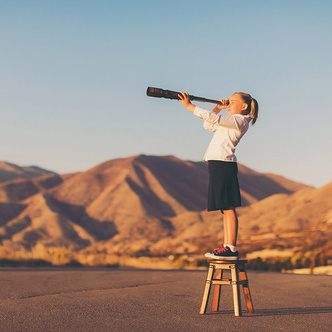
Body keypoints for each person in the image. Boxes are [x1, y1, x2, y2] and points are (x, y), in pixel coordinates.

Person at [178, 91, 258, 259]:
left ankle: (231, 247)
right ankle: (227, 245)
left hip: (224, 164)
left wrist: (189, 106)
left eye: (231, 102)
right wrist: (217, 107)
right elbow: (208, 124)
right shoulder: (231, 122)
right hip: (218, 164)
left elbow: (214, 119)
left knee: (228, 207)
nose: (227, 104)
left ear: (244, 106)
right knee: (225, 207)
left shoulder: (240, 120)